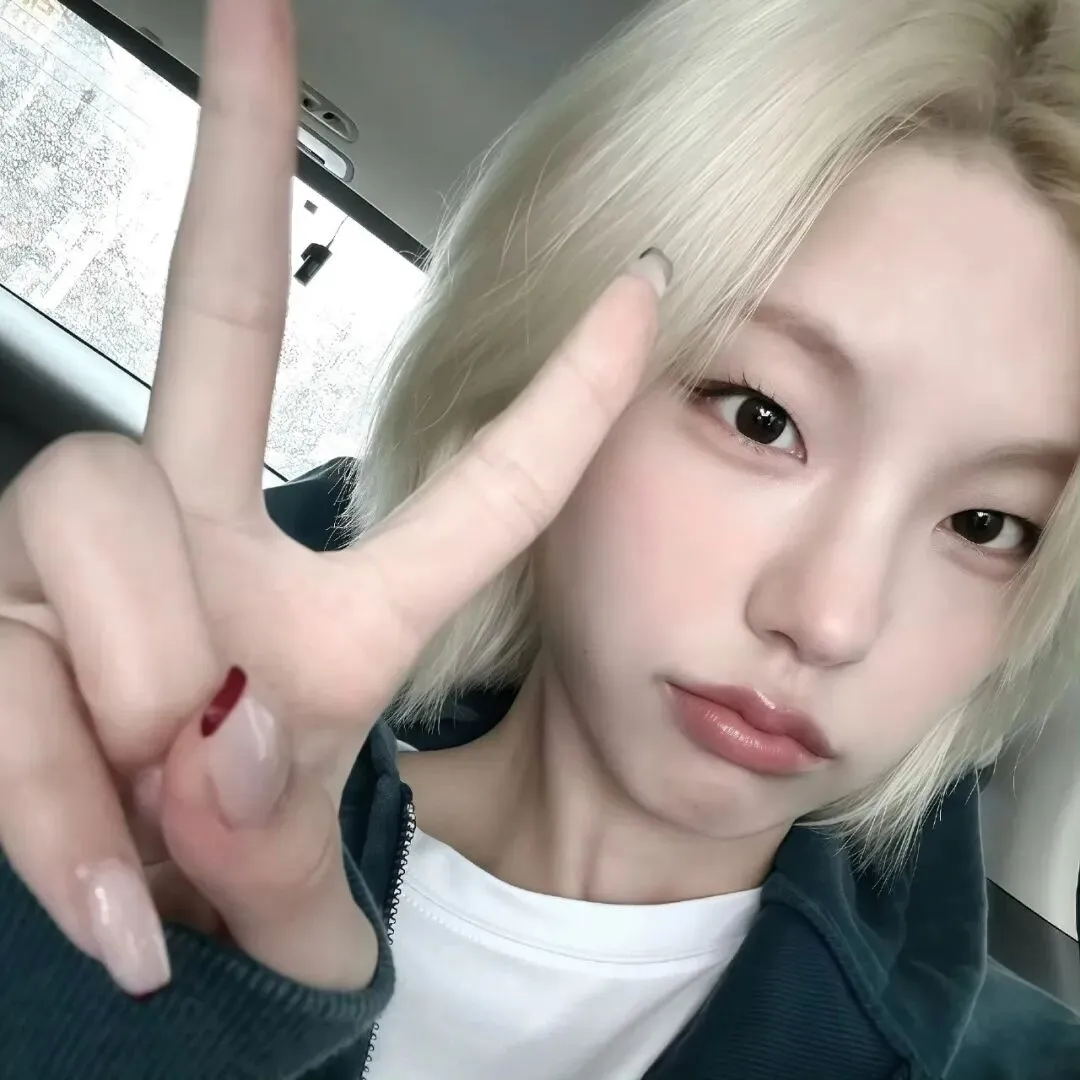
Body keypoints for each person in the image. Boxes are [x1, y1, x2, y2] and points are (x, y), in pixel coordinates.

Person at [2, 0, 1080, 1076]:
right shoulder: (116, 816)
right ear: (548, 357)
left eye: (988, 525)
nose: (833, 618)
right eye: (762, 417)